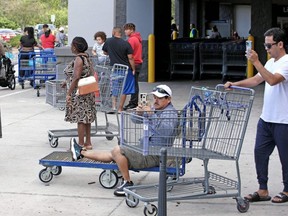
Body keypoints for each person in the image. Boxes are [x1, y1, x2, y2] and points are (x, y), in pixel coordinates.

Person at [69, 84, 178, 196]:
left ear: (168, 99)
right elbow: (134, 120)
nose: (156, 100)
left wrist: (151, 115)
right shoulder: (156, 109)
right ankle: (80, 152)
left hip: (155, 154)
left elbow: (166, 133)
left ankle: (128, 182)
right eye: (154, 97)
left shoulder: (170, 114)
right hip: (145, 149)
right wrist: (139, 113)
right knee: (113, 153)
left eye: (159, 98)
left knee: (117, 151)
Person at [224, 27, 288, 203]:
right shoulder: (271, 62)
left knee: (285, 157)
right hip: (266, 118)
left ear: (280, 44)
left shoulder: (286, 63)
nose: (266, 49)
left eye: (269, 46)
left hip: (284, 120)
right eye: (265, 46)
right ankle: (263, 189)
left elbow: (273, 80)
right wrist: (234, 84)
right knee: (260, 153)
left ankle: (287, 190)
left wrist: (256, 62)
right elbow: (257, 79)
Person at [63, 37, 97, 150]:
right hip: (87, 90)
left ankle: (81, 144)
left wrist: (69, 92)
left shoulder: (78, 59)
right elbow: (89, 73)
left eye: (72, 45)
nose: (71, 47)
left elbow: (76, 77)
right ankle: (88, 142)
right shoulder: (87, 57)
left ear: (76, 46)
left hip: (79, 93)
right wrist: (66, 81)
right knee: (87, 117)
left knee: (81, 119)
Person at [102, 27, 136, 112]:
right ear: (121, 33)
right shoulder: (126, 43)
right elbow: (130, 58)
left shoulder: (108, 41)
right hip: (125, 69)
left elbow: (104, 52)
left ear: (113, 32)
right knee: (124, 89)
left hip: (114, 69)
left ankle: (114, 107)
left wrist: (111, 53)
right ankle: (120, 108)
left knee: (115, 88)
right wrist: (133, 68)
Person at [123, 23, 143, 110]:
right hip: (138, 62)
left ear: (132, 30)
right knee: (135, 83)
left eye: (127, 29)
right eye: (125, 29)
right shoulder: (137, 39)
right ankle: (133, 101)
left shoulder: (132, 40)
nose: (125, 31)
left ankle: (133, 102)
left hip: (134, 63)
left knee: (133, 84)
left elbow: (129, 54)